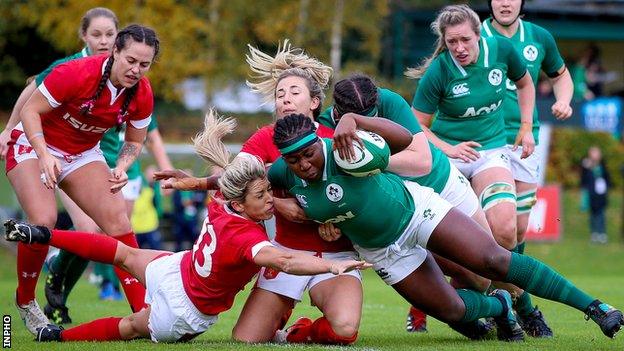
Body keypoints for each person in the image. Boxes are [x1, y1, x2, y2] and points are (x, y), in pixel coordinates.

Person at [3, 110, 370, 343]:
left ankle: (43, 234)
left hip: (177, 267)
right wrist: (333, 265)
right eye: (263, 196)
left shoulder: (223, 202)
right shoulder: (246, 237)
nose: (271, 200)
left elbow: (223, 183)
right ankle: (58, 338)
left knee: (124, 253)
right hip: (187, 307)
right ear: (242, 203)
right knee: (132, 326)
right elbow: (287, 262)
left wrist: (194, 182)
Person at [269, 113, 624, 342]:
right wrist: (215, 185)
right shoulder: (283, 173)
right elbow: (251, 183)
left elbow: (404, 140)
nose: (303, 165)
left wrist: (353, 118)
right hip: (382, 253)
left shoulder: (347, 149)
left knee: (494, 260)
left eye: (308, 153)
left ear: (319, 142)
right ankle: (501, 306)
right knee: (451, 310)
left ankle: (595, 307)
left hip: (416, 212)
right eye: (293, 159)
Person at [156, 41, 366, 345]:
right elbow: (236, 178)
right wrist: (277, 203)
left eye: (295, 93)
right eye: (280, 95)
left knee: (345, 329)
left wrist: (337, 220)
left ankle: (299, 332)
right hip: (286, 250)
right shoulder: (264, 138)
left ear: (315, 102)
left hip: (337, 252)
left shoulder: (334, 140)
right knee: (246, 339)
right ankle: (279, 319)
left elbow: (358, 194)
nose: (285, 100)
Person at [5, 24, 159, 335]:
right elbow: (31, 110)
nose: (136, 70)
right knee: (44, 219)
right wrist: (44, 154)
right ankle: (25, 302)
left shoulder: (142, 93)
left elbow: (134, 141)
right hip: (36, 142)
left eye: (144, 64)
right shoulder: (74, 72)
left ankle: (145, 315)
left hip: (82, 152)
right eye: (130, 61)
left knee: (118, 224)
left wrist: (122, 166)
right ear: (114, 51)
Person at [317, 74, 492, 333]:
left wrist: (373, 163)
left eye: (371, 115)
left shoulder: (390, 100)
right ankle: (471, 315)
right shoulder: (325, 127)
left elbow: (422, 162)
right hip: (401, 207)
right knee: (460, 274)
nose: (366, 126)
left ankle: (523, 308)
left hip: (441, 182)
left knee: (487, 267)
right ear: (339, 112)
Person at [482, 0, 574, 337]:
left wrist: (563, 100)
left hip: (525, 143)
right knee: (496, 231)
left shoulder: (539, 37)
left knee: (517, 234)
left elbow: (561, 76)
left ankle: (506, 301)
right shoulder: (475, 36)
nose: (505, 2)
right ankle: (520, 307)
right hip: (485, 144)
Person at [581, 146, 611, 244]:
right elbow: (584, 180)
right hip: (592, 194)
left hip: (601, 195)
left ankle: (602, 233)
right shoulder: (587, 166)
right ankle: (594, 233)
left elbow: (607, 179)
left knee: (601, 214)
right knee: (593, 215)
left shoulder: (603, 166)